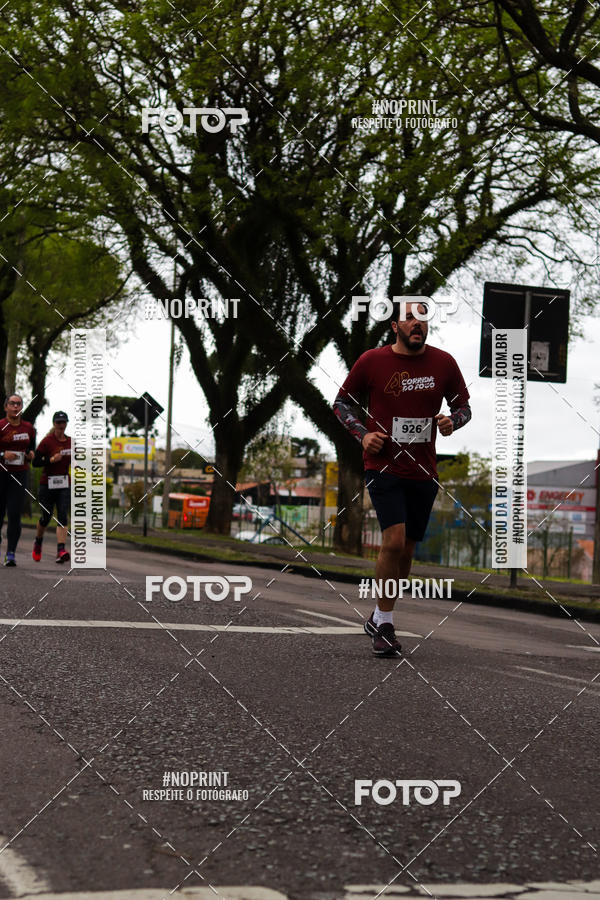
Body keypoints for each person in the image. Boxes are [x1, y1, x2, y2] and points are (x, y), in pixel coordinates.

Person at [333, 300, 472, 657]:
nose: (417, 324)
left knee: (407, 550)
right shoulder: (372, 361)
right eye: (409, 318)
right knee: (393, 542)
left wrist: (451, 421)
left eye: (423, 318)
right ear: (394, 325)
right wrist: (362, 434)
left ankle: (378, 616)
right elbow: (342, 403)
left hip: (423, 470)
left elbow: (464, 407)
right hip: (383, 466)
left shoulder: (444, 363)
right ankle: (386, 626)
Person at [0, 394, 36, 566]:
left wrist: (30, 454)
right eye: (12, 404)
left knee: (14, 514)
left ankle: (11, 553)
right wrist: (2, 454)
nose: (15, 407)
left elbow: (31, 449)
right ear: (6, 407)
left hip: (19, 475)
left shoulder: (29, 428)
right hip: (0, 474)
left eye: (19, 404)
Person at [32, 411, 72, 564]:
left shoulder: (70, 442)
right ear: (54, 424)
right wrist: (51, 459)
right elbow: (35, 462)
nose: (61, 426)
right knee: (46, 517)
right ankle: (38, 541)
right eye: (59, 423)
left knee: (62, 514)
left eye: (64, 423)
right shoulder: (47, 442)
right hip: (47, 484)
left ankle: (61, 550)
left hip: (63, 483)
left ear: (66, 424)